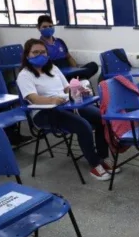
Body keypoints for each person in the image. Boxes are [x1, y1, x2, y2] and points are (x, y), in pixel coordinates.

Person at [16, 38, 117, 182]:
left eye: (43, 52)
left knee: (101, 117)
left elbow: (66, 88)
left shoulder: (53, 68)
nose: (40, 55)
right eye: (35, 52)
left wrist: (80, 90)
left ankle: (102, 157)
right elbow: (33, 98)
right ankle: (94, 164)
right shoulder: (24, 75)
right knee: (84, 126)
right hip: (44, 112)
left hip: (67, 104)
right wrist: (52, 100)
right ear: (27, 55)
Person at [36, 15, 98, 80]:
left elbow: (69, 57)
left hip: (69, 70)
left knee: (93, 65)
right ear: (38, 28)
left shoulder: (59, 41)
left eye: (50, 26)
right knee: (81, 76)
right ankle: (75, 80)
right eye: (45, 27)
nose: (48, 28)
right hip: (56, 74)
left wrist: (77, 69)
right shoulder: (39, 45)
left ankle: (76, 79)